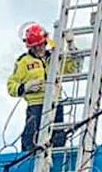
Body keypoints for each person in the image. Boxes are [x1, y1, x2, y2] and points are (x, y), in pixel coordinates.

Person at [6, 22, 76, 153]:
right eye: (35, 46)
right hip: (36, 105)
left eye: (41, 45)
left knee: (58, 138)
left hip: (55, 103)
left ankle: (55, 159)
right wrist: (25, 87)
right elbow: (11, 86)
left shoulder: (54, 58)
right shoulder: (23, 62)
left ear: (45, 43)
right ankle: (28, 161)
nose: (39, 48)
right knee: (30, 140)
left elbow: (73, 68)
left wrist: (71, 45)